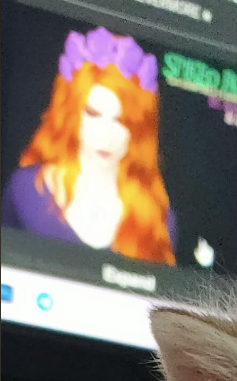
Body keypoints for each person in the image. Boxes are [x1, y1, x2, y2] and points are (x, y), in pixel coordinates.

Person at [1, 26, 176, 264]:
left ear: (140, 130)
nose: (106, 135)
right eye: (93, 114)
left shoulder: (160, 220)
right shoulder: (25, 189)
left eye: (122, 121)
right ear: (70, 112)